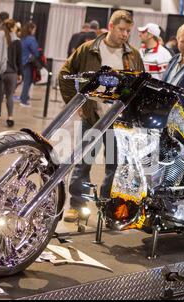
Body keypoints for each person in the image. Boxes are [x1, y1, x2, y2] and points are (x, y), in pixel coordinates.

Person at [59, 10, 144, 223]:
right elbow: (65, 74)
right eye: (122, 30)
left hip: (120, 121)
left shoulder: (133, 55)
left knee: (114, 166)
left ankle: (108, 209)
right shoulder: (88, 50)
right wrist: (74, 102)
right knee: (83, 162)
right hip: (92, 116)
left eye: (128, 31)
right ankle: (77, 206)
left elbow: (140, 85)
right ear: (111, 26)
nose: (125, 34)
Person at [0, 19, 22, 127]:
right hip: (12, 73)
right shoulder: (17, 41)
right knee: (10, 96)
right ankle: (10, 118)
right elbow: (19, 59)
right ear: (13, 27)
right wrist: (20, 73)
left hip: (0, 72)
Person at [19, 22, 40, 108]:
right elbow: (36, 52)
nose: (35, 31)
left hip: (21, 62)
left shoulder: (22, 38)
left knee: (22, 81)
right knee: (27, 82)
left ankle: (23, 97)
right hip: (28, 62)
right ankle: (23, 100)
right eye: (34, 29)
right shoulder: (31, 39)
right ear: (31, 29)